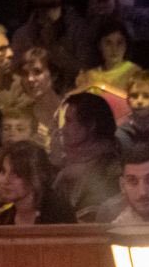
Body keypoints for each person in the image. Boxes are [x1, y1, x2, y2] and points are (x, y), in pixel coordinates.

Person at [10, 0, 92, 83]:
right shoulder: (22, 35)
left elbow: (88, 71)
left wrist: (55, 49)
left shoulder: (79, 29)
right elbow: (16, 72)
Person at [52, 92, 121, 221]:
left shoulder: (111, 169)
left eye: (69, 121)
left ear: (90, 126)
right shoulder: (64, 163)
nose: (63, 129)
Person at [0, 140, 74, 225]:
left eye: (16, 174)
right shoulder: (2, 221)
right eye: (3, 172)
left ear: (35, 176)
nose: (6, 180)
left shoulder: (58, 214)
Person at [76, 18, 140, 96]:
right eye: (108, 43)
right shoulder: (90, 75)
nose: (114, 49)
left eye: (119, 43)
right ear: (100, 45)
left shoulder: (134, 73)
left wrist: (97, 84)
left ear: (126, 45)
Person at [115, 69, 149, 154]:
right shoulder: (118, 133)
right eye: (134, 96)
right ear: (127, 100)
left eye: (146, 96)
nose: (139, 101)